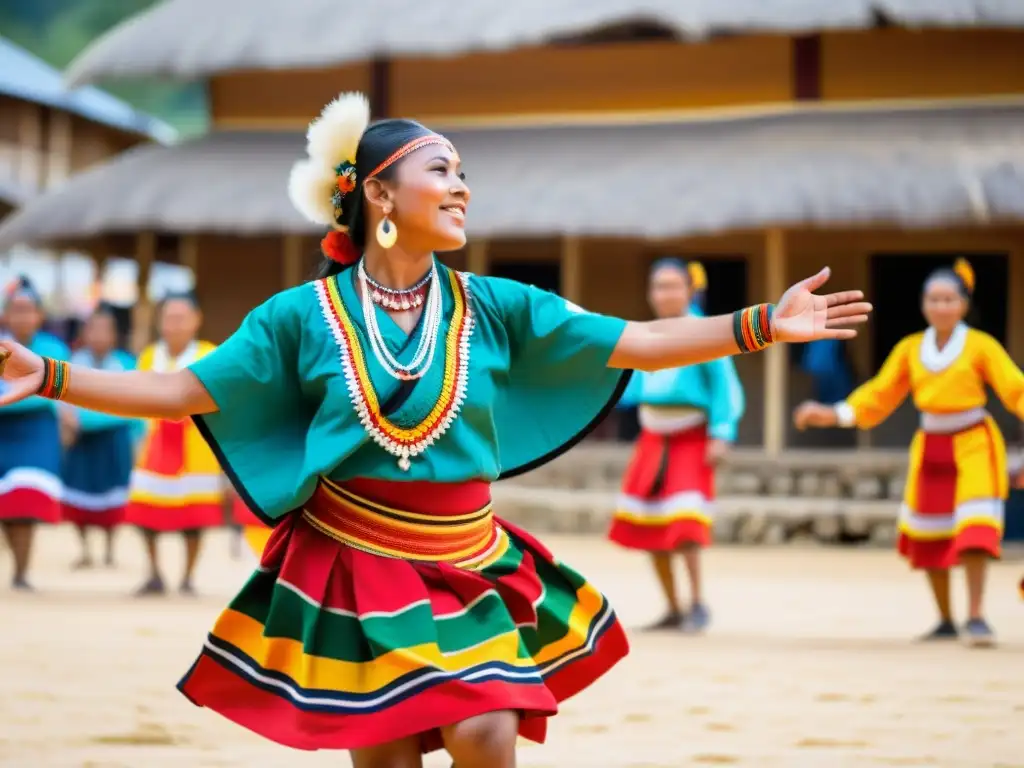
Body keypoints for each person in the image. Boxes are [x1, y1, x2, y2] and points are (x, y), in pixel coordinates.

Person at [0, 92, 870, 767]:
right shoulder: (299, 317)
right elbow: (185, 387)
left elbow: (637, 342)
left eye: (464, 174)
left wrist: (761, 324)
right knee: (382, 755)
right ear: (378, 192)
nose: (461, 187)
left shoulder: (494, 306)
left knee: (487, 727)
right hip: (352, 563)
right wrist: (51, 375)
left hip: (466, 559)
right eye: (441, 171)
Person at [794, 259, 1015, 648]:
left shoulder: (981, 346)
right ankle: (946, 619)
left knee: (975, 532)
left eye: (949, 299)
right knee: (931, 533)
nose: (941, 306)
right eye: (934, 299)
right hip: (931, 446)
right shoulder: (911, 349)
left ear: (963, 304)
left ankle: (976, 616)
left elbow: (1015, 388)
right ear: (923, 304)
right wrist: (831, 414)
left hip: (974, 443)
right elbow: (880, 394)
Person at [609, 259, 744, 633]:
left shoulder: (706, 332)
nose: (664, 294)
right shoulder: (643, 333)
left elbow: (725, 386)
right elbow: (628, 385)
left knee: (684, 525)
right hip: (652, 438)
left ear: (689, 290)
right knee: (651, 525)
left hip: (691, 438)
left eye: (672, 286)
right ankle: (672, 607)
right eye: (658, 287)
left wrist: (722, 432)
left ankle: (698, 603)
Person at [124, 293, 224, 596]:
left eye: (181, 317)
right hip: (155, 443)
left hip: (196, 443)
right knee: (145, 512)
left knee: (195, 517)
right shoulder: (150, 355)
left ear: (196, 321)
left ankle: (187, 576)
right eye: (168, 317)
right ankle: (154, 573)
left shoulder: (210, 353)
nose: (174, 324)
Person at [0, 277, 68, 591]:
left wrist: (69, 423)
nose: (22, 317)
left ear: (39, 316)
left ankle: (21, 572)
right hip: (3, 430)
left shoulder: (53, 348)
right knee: (7, 505)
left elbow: (69, 394)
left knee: (24, 502)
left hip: (38, 430)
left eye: (28, 311)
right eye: (16, 310)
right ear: (5, 315)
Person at [60, 304, 140, 569]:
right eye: (93, 329)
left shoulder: (127, 364)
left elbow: (134, 407)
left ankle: (109, 549)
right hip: (81, 442)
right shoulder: (72, 363)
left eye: (105, 330)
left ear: (115, 335)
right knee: (78, 493)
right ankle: (85, 550)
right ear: (85, 332)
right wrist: (70, 421)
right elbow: (62, 402)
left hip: (113, 441)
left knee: (113, 495)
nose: (98, 335)